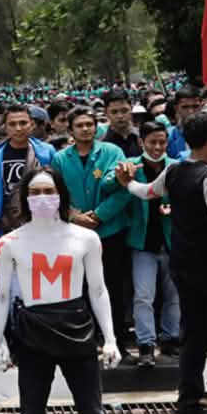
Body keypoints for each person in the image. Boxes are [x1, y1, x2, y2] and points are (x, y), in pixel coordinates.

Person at [0, 167, 121, 414]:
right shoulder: (10, 242)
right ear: (25, 197)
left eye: (49, 191)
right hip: (32, 328)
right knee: (31, 412)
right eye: (35, 192)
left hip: (76, 324)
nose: (42, 197)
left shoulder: (86, 238)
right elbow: (1, 294)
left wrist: (110, 338)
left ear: (60, 194)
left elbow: (98, 289)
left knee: (92, 410)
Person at [115, 111, 207, 414]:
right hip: (206, 268)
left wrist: (127, 182)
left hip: (183, 266)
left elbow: (146, 192)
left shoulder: (174, 171)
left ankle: (189, 403)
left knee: (193, 335)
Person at [51, 106, 132, 356]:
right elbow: (56, 193)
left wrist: (99, 215)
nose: (85, 129)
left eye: (89, 124)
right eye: (79, 125)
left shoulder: (112, 152)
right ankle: (87, 339)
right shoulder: (60, 158)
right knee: (81, 286)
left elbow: (123, 190)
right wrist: (75, 216)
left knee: (112, 285)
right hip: (74, 233)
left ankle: (116, 338)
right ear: (70, 129)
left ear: (97, 127)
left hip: (110, 230)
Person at [103, 121, 179, 368]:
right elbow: (107, 185)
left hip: (171, 242)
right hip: (142, 243)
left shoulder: (176, 168)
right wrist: (121, 177)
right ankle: (146, 344)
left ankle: (171, 338)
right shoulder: (131, 167)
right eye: (152, 142)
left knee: (173, 295)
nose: (157, 147)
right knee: (143, 295)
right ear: (141, 143)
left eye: (162, 142)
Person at [0, 104, 56, 238]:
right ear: (5, 127)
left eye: (23, 123)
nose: (18, 128)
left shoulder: (46, 152)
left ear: (32, 124)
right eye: (12, 124)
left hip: (41, 218)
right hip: (7, 223)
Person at [102, 89, 142, 158]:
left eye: (124, 111)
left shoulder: (143, 138)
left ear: (131, 109)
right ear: (106, 113)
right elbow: (97, 168)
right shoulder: (102, 145)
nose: (120, 116)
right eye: (114, 112)